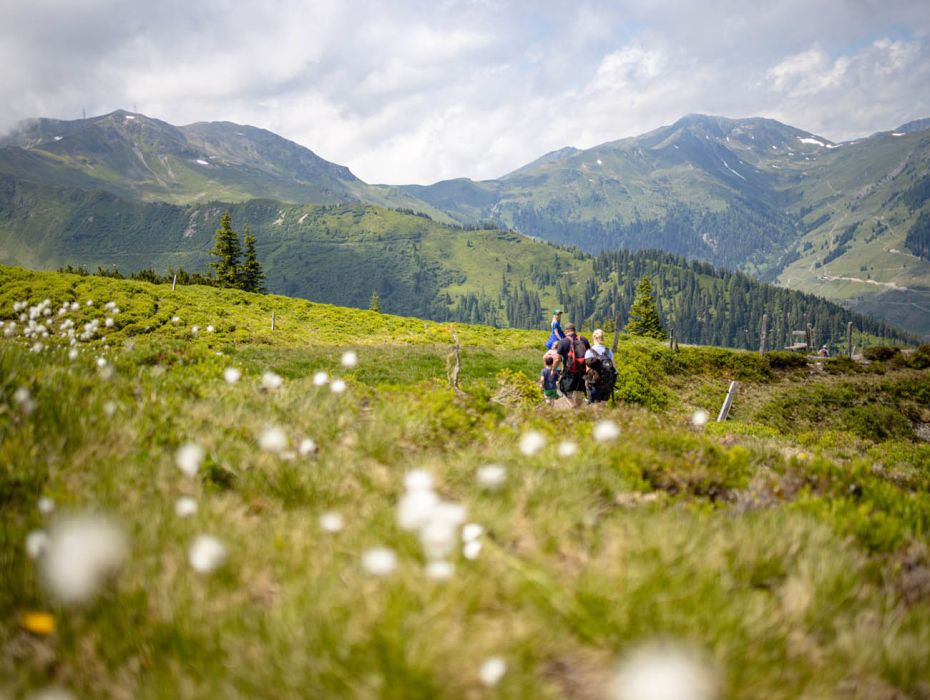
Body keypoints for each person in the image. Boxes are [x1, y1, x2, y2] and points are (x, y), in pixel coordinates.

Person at [556, 322, 590, 405]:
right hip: (582, 371)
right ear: (575, 330)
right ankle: (578, 409)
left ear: (566, 331)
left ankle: (572, 406)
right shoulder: (584, 340)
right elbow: (589, 355)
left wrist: (553, 370)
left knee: (566, 391)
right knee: (579, 392)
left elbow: (558, 359)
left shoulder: (562, 342)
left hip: (569, 372)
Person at [584, 328, 616, 403]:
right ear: (602, 338)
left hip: (594, 382)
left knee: (595, 405)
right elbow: (614, 368)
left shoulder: (589, 351)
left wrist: (586, 382)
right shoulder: (608, 351)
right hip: (606, 383)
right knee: (603, 404)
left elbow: (587, 369)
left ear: (593, 337)